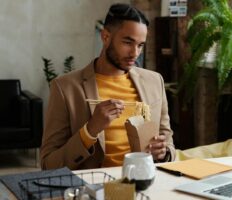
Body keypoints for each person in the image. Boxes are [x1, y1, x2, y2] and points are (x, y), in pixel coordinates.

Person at [40, 3, 175, 170]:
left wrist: (163, 153)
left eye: (140, 45)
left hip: (145, 183)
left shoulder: (154, 81)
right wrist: (90, 130)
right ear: (105, 37)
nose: (135, 53)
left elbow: (168, 143)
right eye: (128, 42)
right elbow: (48, 164)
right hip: (96, 186)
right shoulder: (65, 88)